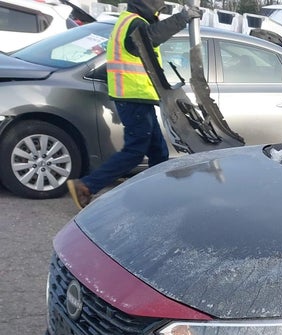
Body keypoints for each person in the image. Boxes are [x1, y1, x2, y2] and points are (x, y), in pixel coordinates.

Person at [66, 0, 203, 210]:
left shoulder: (128, 21)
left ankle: (157, 192)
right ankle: (86, 186)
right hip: (133, 97)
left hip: (135, 98)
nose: (158, 12)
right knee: (135, 150)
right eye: (157, 8)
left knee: (158, 151)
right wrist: (182, 19)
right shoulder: (134, 24)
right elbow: (150, 37)